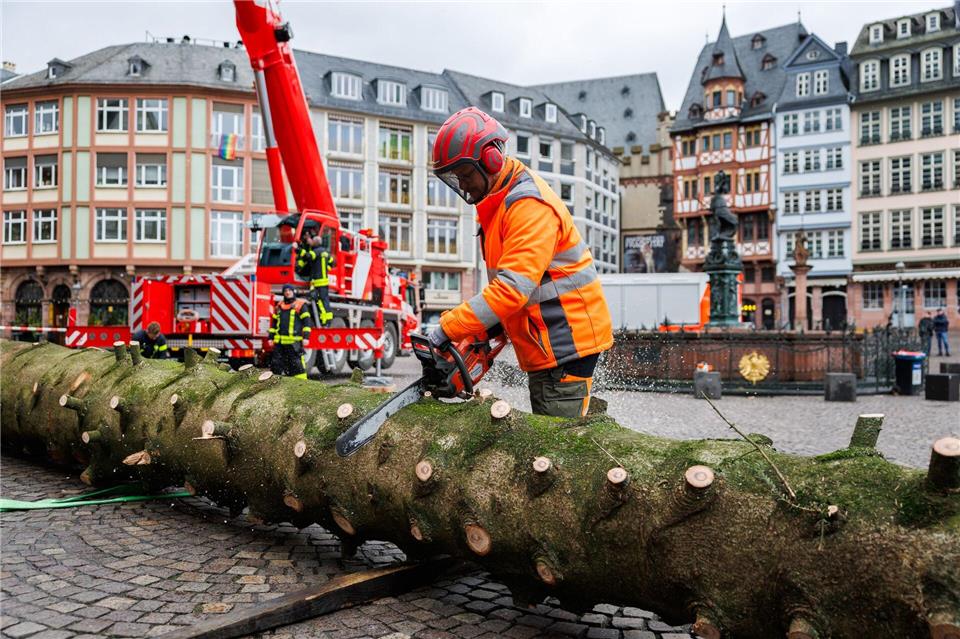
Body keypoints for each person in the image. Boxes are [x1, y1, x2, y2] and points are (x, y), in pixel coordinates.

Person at [428, 107, 613, 418]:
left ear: (490, 159)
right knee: (544, 428)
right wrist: (483, 329)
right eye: (455, 177)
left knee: (556, 443)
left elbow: (513, 289)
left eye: (465, 174)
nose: (463, 185)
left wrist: (448, 327)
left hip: (567, 342)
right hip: (547, 341)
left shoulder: (527, 205)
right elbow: (518, 288)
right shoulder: (498, 204)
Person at [267, 284, 313, 379]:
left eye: (289, 290)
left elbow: (307, 323)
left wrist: (306, 337)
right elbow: (274, 324)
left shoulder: (300, 305)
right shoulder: (279, 306)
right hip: (280, 344)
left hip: (294, 343)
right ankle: (275, 387)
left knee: (296, 366)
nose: (287, 292)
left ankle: (301, 387)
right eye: (285, 291)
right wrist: (271, 337)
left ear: (293, 292)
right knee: (276, 365)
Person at [295, 227, 335, 327]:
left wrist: (298, 249)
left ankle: (326, 322)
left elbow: (308, 256)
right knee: (323, 301)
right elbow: (331, 262)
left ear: (316, 243)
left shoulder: (316, 251)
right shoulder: (325, 252)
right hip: (323, 281)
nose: (311, 241)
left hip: (318, 282)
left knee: (320, 301)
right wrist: (326, 269)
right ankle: (326, 322)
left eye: (312, 241)